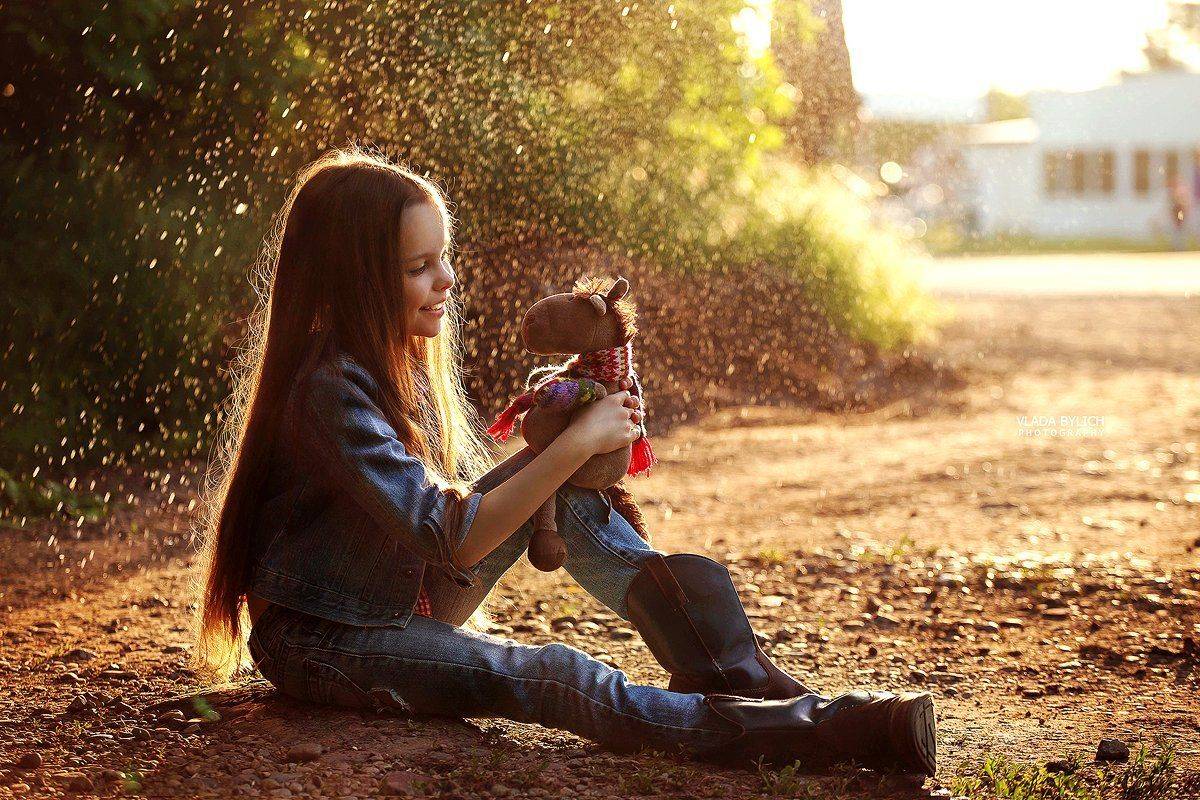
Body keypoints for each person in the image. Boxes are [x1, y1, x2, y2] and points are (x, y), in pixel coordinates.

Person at [195, 147, 937, 775]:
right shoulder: (328, 388)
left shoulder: (392, 360)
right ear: (356, 280)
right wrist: (574, 443)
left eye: (444, 257)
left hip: (396, 591)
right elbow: (447, 532)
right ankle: (814, 732)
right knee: (553, 673)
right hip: (329, 638)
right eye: (420, 266)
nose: (447, 280)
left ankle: (732, 674)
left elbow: (459, 526)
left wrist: (567, 455)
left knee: (574, 499)